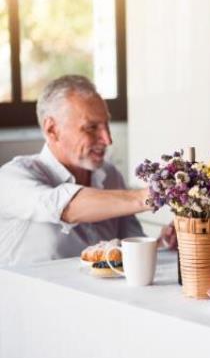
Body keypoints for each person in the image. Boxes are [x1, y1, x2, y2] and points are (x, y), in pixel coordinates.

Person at [0, 75, 175, 267]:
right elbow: (65, 208)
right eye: (91, 128)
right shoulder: (12, 178)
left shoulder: (110, 176)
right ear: (52, 130)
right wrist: (150, 195)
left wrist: (162, 244)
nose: (108, 140)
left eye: (106, 125)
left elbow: (130, 247)